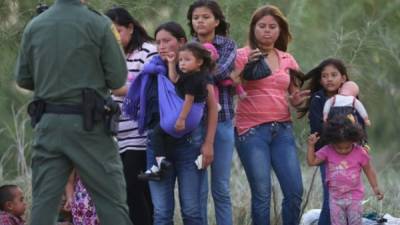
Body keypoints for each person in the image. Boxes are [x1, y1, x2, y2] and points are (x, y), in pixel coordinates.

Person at [14, 0, 132, 224]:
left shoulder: (35, 25)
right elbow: (117, 80)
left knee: (44, 202)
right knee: (111, 199)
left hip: (47, 124)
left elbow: (24, 79)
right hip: (89, 125)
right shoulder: (98, 24)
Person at [123, 21, 218, 225]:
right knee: (162, 214)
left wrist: (209, 143)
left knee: (192, 212)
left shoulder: (195, 73)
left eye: (167, 41)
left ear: (182, 42)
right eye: (158, 42)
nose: (162, 46)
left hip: (189, 145)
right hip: (157, 148)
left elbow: (212, 108)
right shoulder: (152, 71)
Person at [234, 5, 310, 225]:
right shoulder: (241, 55)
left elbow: (294, 95)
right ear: (253, 29)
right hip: (251, 132)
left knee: (294, 191)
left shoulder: (288, 59)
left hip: (282, 131)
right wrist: (245, 67)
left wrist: (297, 101)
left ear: (280, 30)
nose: (267, 31)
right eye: (262, 26)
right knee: (262, 195)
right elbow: (230, 86)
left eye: (272, 27)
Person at [186, 1, 237, 224]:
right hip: (194, 122)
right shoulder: (187, 47)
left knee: (221, 187)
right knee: (198, 188)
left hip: (223, 120)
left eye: (206, 17)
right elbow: (184, 77)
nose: (200, 21)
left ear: (216, 21)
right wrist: (202, 74)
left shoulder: (227, 45)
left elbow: (223, 70)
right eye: (196, 17)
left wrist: (198, 73)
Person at [105, 7, 156, 225]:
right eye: (109, 34)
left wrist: (121, 89)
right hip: (117, 136)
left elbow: (153, 85)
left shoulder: (147, 51)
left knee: (132, 189)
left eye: (118, 31)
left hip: (140, 133)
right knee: (139, 192)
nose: (114, 38)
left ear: (130, 28)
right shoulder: (107, 56)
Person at [138, 42, 213, 181]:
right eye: (181, 60)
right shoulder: (191, 75)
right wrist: (172, 63)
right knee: (166, 138)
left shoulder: (194, 79)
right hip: (192, 115)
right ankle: (158, 168)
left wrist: (181, 119)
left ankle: (160, 163)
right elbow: (174, 79)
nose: (182, 63)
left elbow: (189, 100)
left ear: (199, 62)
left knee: (156, 135)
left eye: (187, 60)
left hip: (187, 114)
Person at [298, 58, 350, 225]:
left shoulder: (349, 99)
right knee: (331, 200)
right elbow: (317, 127)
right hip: (328, 155)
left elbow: (358, 124)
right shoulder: (318, 100)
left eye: (334, 75)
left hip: (349, 156)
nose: (329, 79)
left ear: (343, 78)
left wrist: (363, 144)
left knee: (344, 200)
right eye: (325, 76)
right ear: (320, 80)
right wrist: (341, 134)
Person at [307, 116, 383, 225]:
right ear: (332, 142)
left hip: (354, 198)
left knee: (355, 222)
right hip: (335, 199)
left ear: (353, 140)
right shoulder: (328, 150)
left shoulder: (360, 152)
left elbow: (369, 170)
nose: (343, 151)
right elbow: (312, 162)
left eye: (347, 147)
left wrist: (375, 187)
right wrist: (311, 145)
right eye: (339, 148)